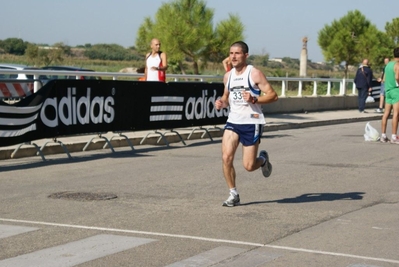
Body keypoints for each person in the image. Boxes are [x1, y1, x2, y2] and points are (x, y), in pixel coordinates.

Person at [214, 41, 278, 207]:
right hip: (233, 121)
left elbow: (273, 95)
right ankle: (233, 194)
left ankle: (263, 160)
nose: (233, 57)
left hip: (252, 121)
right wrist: (221, 103)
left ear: (245, 55)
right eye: (231, 53)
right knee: (226, 157)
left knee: (249, 166)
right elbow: (226, 98)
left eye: (237, 53)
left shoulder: (254, 74)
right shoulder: (228, 76)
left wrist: (254, 99)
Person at [380, 47, 399, 144]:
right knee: (396, 114)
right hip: (396, 91)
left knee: (386, 113)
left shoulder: (388, 65)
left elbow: (384, 78)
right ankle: (394, 136)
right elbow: (397, 77)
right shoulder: (397, 65)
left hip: (388, 90)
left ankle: (383, 135)